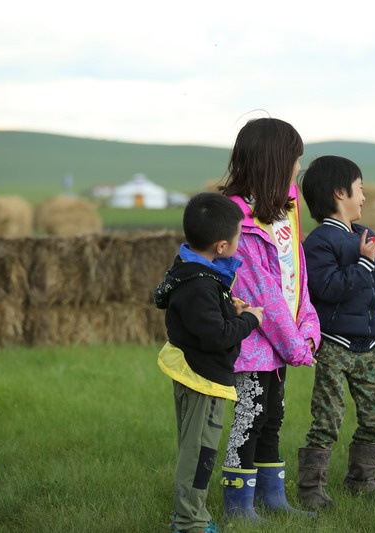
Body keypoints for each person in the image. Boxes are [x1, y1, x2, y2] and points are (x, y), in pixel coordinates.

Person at [220, 117, 321, 520]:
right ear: (275, 162)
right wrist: (295, 343)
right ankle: (238, 508)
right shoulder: (237, 219)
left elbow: (297, 275)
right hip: (253, 341)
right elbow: (260, 291)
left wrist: (308, 325)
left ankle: (272, 499)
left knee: (272, 416)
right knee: (250, 418)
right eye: (295, 158)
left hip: (282, 341)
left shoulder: (284, 213)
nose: (299, 166)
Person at [297, 155, 375, 509]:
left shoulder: (365, 235)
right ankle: (311, 488)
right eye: (360, 190)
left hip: (369, 346)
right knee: (328, 417)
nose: (363, 198)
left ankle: (363, 479)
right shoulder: (319, 243)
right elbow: (326, 289)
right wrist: (362, 262)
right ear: (338, 193)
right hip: (334, 345)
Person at [153, 192, 264, 533]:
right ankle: (190, 522)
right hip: (202, 377)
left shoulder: (189, 271)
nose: (239, 241)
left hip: (195, 370)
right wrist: (251, 320)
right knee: (199, 453)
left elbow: (201, 319)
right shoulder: (201, 284)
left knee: (194, 447)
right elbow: (216, 336)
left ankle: (190, 516)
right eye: (237, 236)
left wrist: (228, 309)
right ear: (220, 246)